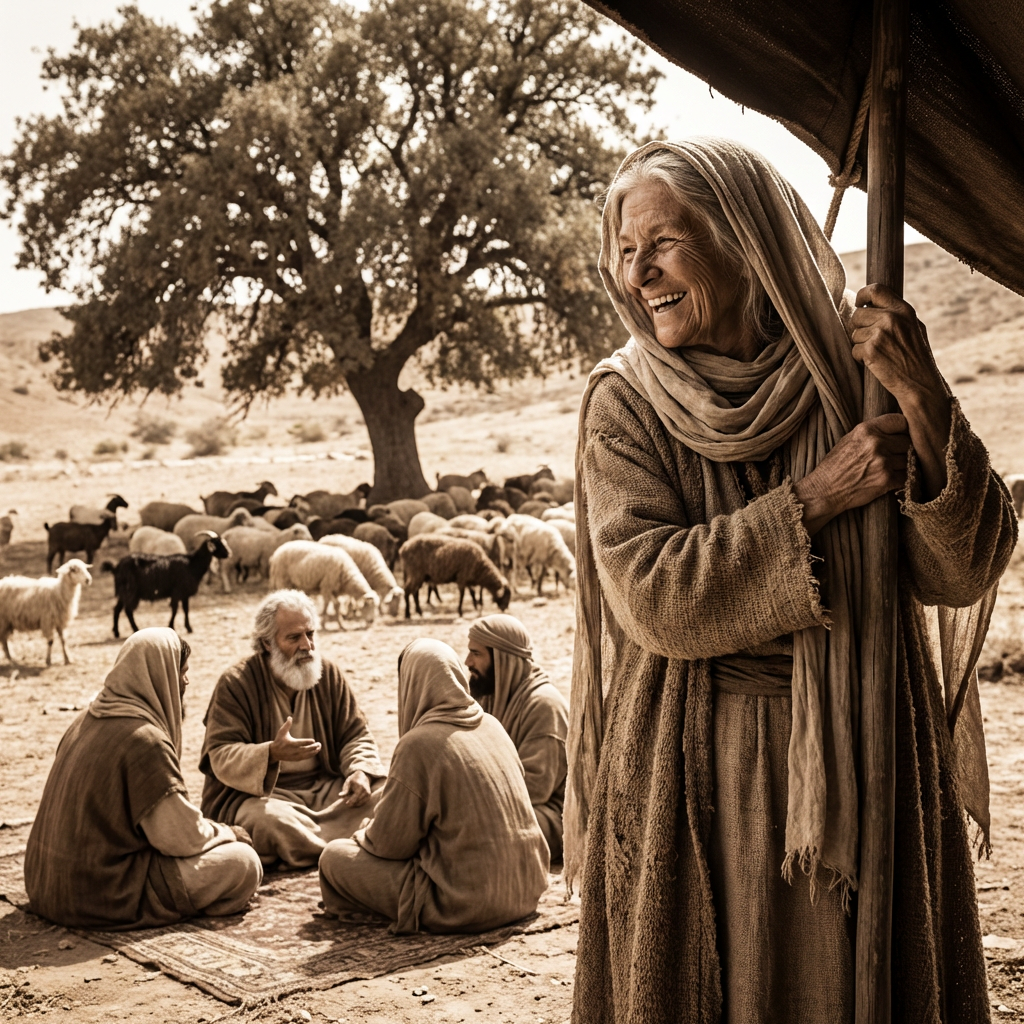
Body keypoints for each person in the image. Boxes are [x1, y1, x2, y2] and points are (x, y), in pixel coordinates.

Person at [566, 138, 1018, 1024]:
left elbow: (963, 569)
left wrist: (923, 397)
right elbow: (656, 597)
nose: (637, 273)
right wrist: (817, 497)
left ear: (743, 235)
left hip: (878, 742)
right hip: (704, 770)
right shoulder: (626, 402)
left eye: (663, 241)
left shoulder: (856, 374)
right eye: (624, 250)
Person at [25, 628, 262, 929]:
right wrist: (227, 833)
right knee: (243, 863)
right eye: (183, 673)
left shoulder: (83, 719)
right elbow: (178, 838)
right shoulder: (145, 741)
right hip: (97, 892)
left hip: (44, 885)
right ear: (160, 675)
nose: (187, 682)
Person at [318, 638, 550, 933]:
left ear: (412, 684)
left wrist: (364, 832)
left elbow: (390, 845)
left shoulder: (417, 745)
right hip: (527, 891)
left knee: (334, 858)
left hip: (466, 903)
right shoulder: (493, 725)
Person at [200, 590, 385, 869]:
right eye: (294, 637)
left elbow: (355, 734)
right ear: (266, 643)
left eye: (310, 634)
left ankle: (307, 849)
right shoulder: (236, 683)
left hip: (327, 790)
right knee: (268, 823)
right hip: (266, 797)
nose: (307, 646)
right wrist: (271, 753)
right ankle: (348, 846)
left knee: (388, 792)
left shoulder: (328, 674)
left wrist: (359, 770)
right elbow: (221, 754)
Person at [465, 614, 569, 860]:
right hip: (500, 803)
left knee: (471, 831)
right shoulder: (489, 695)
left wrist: (468, 799)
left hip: (547, 816)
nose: (468, 661)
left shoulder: (545, 705)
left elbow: (534, 789)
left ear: (502, 659)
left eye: (476, 654)